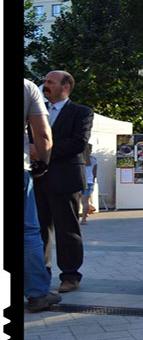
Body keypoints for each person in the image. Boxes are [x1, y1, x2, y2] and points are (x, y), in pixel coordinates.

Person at [34, 70, 94, 294]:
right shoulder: (35, 110)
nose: (45, 84)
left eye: (50, 81)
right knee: (37, 230)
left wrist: (41, 152)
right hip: (36, 179)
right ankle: (39, 276)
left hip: (65, 179)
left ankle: (70, 276)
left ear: (65, 87)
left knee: (67, 229)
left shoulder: (81, 112)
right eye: (45, 81)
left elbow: (78, 143)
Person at [24, 79, 62, 312]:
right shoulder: (27, 87)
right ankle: (37, 294)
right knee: (27, 231)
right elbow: (43, 135)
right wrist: (43, 164)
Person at [80, 143, 97, 225]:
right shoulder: (93, 160)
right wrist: (93, 181)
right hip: (89, 182)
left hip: (80, 181)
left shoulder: (80, 159)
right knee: (85, 202)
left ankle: (78, 218)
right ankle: (84, 219)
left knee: (78, 201)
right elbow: (95, 173)